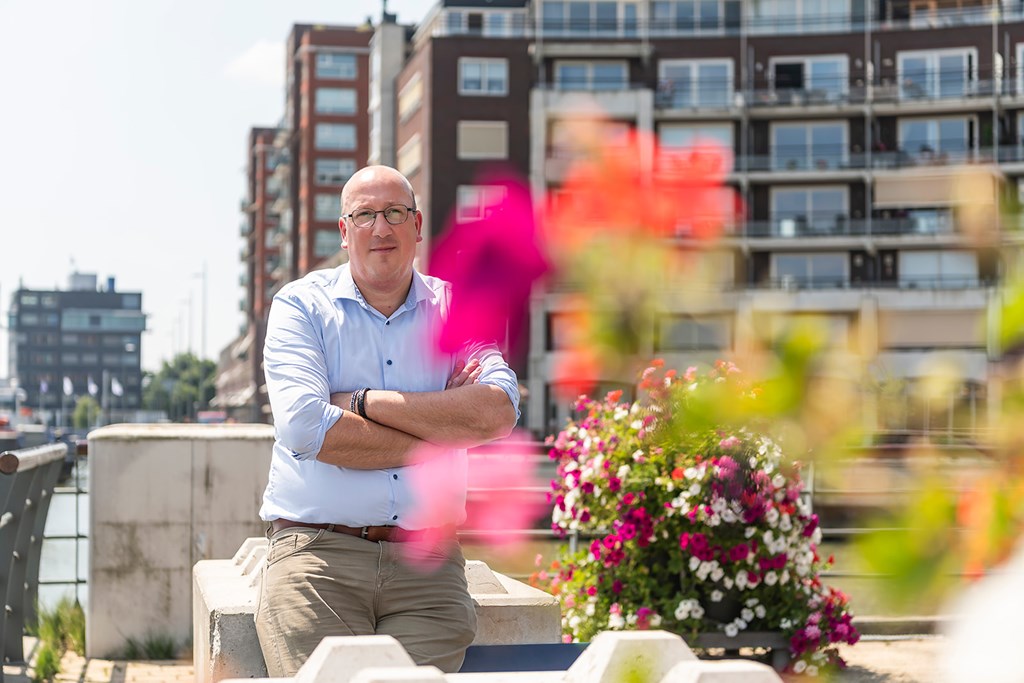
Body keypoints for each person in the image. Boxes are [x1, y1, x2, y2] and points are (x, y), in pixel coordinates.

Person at [254, 165, 520, 676]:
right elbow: (307, 429)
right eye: (365, 215)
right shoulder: (301, 306)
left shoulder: (456, 308)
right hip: (317, 559)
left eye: (395, 213)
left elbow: (498, 411)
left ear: (417, 226)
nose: (381, 228)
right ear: (344, 230)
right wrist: (443, 432)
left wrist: (362, 402)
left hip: (429, 569)